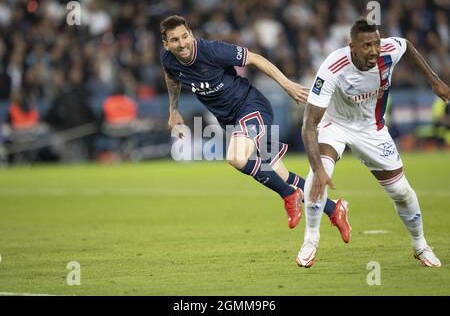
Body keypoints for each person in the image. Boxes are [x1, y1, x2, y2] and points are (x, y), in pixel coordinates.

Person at [159, 15, 351, 239]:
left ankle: (290, 196)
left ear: (191, 34)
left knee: (236, 157)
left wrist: (287, 85)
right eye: (175, 40)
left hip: (251, 107)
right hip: (232, 120)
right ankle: (334, 208)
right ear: (166, 44)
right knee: (280, 173)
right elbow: (172, 78)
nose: (182, 43)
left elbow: (255, 58)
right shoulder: (168, 60)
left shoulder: (211, 50)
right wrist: (173, 109)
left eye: (185, 36)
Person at [297, 18, 449, 268]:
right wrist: (318, 169)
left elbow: (408, 46)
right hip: (336, 125)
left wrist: (434, 80)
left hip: (372, 129)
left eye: (376, 43)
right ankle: (310, 240)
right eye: (366, 45)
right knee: (318, 175)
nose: (374, 50)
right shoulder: (333, 66)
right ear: (352, 47)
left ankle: (420, 245)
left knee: (401, 192)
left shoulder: (389, 50)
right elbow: (309, 124)